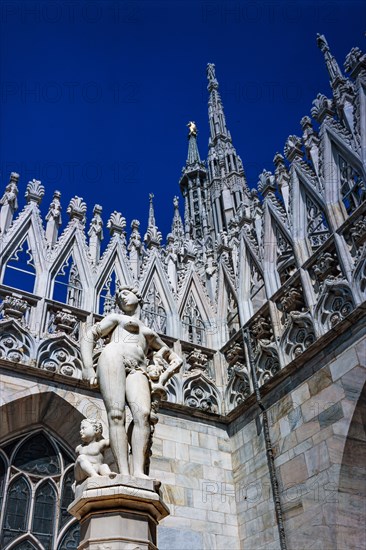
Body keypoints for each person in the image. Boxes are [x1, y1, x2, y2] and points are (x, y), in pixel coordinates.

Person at [80, 286, 182, 479]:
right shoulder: (117, 319)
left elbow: (176, 359)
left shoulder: (149, 332)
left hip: (138, 369)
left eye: (126, 294)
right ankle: (124, 473)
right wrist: (88, 368)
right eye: (118, 297)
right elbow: (89, 336)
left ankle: (138, 472)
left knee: (142, 415)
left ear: (138, 296)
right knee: (117, 415)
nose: (121, 298)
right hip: (113, 358)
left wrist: (162, 377)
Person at [74, 419, 111, 485]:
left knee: (103, 466)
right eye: (80, 429)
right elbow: (78, 464)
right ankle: (94, 476)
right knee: (81, 458)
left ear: (96, 430)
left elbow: (114, 441)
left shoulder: (100, 444)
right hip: (82, 474)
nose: (80, 431)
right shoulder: (79, 448)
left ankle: (109, 476)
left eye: (83, 428)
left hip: (97, 469)